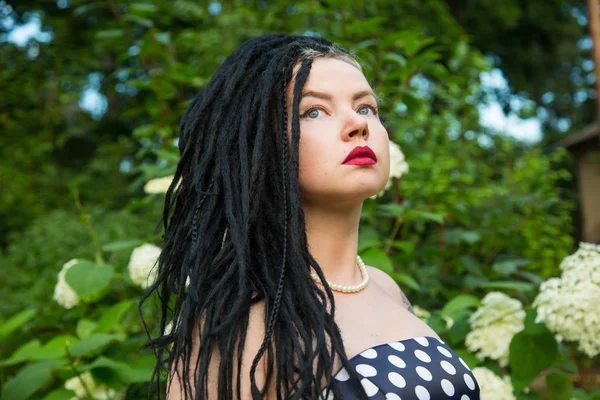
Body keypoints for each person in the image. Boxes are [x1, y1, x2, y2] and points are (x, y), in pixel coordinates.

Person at [141, 33, 480, 400]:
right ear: (262, 146)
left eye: (365, 107)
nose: (358, 125)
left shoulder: (385, 288)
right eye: (313, 111)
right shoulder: (245, 316)